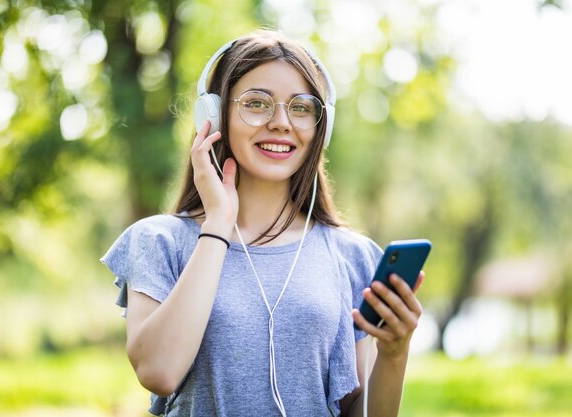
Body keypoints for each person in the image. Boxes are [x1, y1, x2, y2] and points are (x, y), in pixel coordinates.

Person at [101, 29, 425, 417]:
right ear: (215, 114)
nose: (281, 122)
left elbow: (362, 413)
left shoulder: (352, 256)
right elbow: (158, 371)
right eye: (257, 103)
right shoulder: (159, 241)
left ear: (322, 127)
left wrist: (394, 353)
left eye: (302, 107)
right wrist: (218, 225)